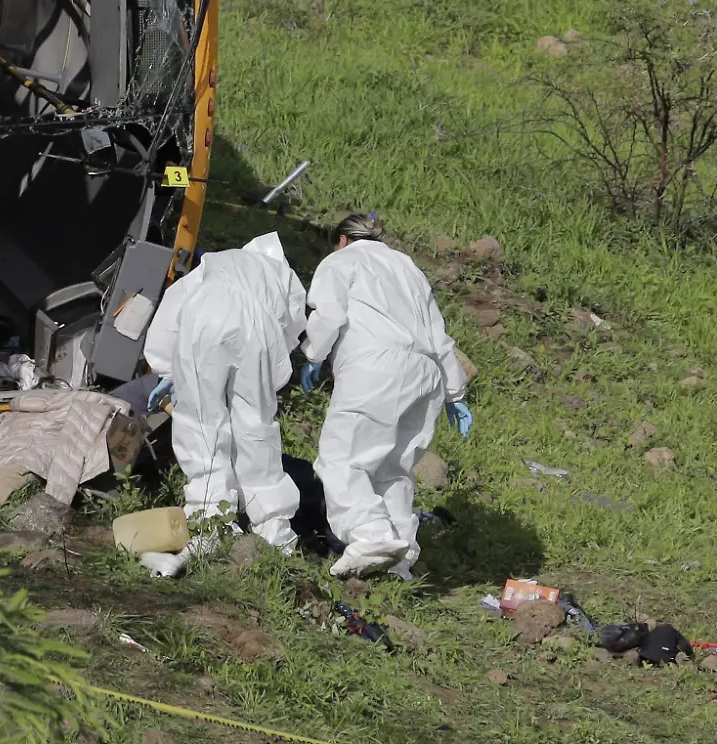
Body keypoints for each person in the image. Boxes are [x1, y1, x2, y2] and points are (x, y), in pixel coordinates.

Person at [302, 212, 470, 580]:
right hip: (426, 374)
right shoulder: (407, 266)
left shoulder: (341, 260)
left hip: (375, 366)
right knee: (393, 469)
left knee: (341, 460)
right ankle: (400, 561)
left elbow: (327, 315)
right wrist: (455, 391)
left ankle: (372, 537)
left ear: (343, 239)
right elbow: (438, 332)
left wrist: (313, 355)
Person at [140, 232, 308, 577]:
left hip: (204, 317)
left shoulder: (216, 262)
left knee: (201, 425)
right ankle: (275, 533)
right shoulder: (282, 275)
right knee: (257, 429)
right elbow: (290, 330)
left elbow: (174, 303)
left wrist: (168, 368)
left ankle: (210, 518)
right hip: (259, 328)